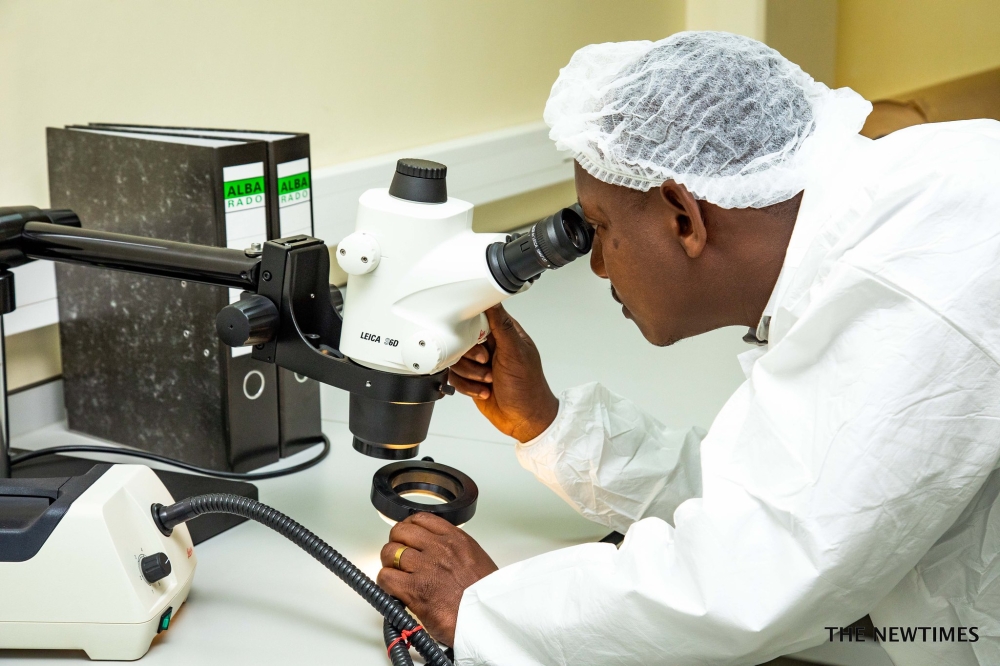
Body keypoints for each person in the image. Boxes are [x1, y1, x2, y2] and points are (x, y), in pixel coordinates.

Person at [377, 31, 1000, 665]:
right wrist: (547, 423)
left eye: (601, 227)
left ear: (683, 215)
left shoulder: (909, 275)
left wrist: (487, 610)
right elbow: (788, 491)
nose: (597, 265)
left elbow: (757, 576)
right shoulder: (884, 226)